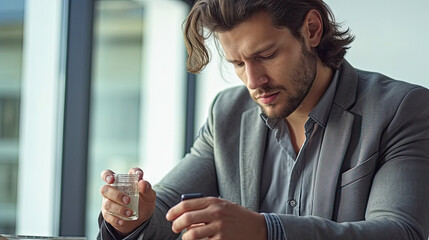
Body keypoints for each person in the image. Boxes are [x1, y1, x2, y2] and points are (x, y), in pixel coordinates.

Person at [97, 0, 429, 239]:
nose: (253, 81)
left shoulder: (402, 108)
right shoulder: (227, 114)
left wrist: (265, 231)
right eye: (238, 64)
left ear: (312, 30)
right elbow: (166, 213)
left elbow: (401, 231)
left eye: (266, 56)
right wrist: (132, 217)